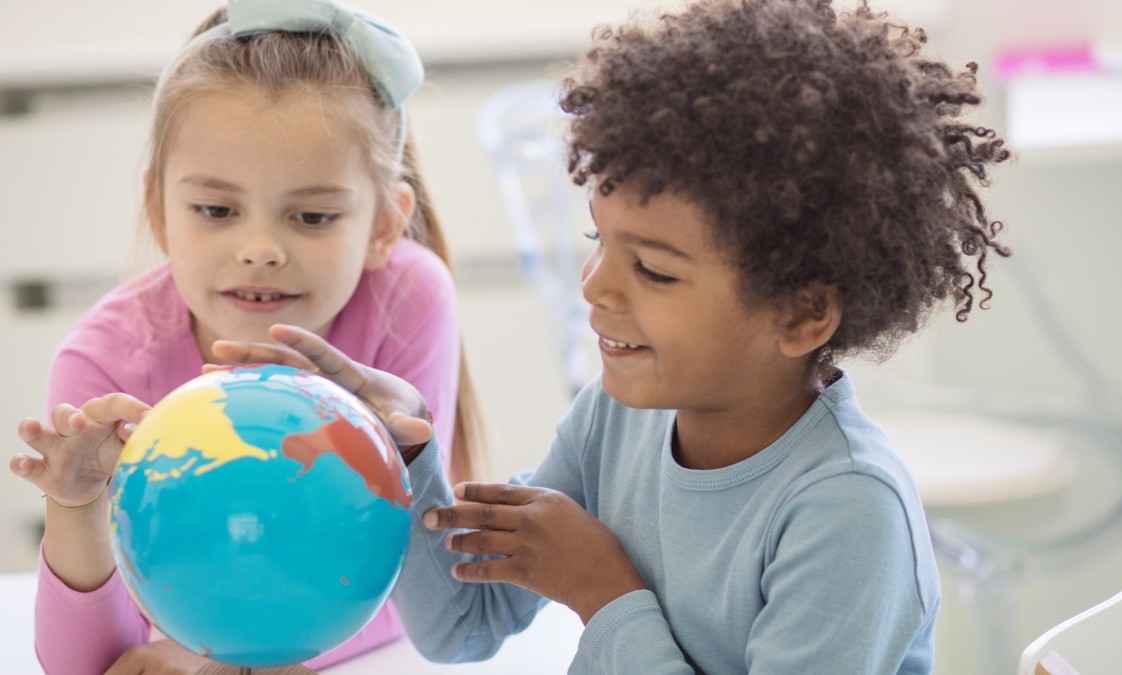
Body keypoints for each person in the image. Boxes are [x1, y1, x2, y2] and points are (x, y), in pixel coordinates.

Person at [213, 0, 1014, 672]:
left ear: (803, 314)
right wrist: (404, 452)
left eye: (656, 271)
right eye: (600, 241)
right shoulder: (617, 418)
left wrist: (604, 594)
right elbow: (463, 622)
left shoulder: (847, 513)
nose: (595, 286)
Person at [8, 1, 486, 672]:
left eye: (313, 215)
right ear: (159, 210)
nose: (260, 248)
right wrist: (73, 507)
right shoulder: (103, 361)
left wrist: (223, 662)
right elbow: (89, 664)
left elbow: (411, 586)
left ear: (384, 224)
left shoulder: (408, 298)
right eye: (215, 209)